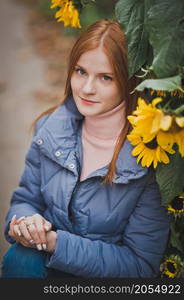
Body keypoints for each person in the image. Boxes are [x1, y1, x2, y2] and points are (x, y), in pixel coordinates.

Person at [1, 19, 170, 278]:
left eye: (105, 77)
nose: (87, 88)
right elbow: (26, 200)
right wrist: (25, 223)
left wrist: (55, 243)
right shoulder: (51, 129)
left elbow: (140, 266)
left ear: (129, 82)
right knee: (21, 259)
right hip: (44, 266)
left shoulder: (151, 154)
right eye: (80, 71)